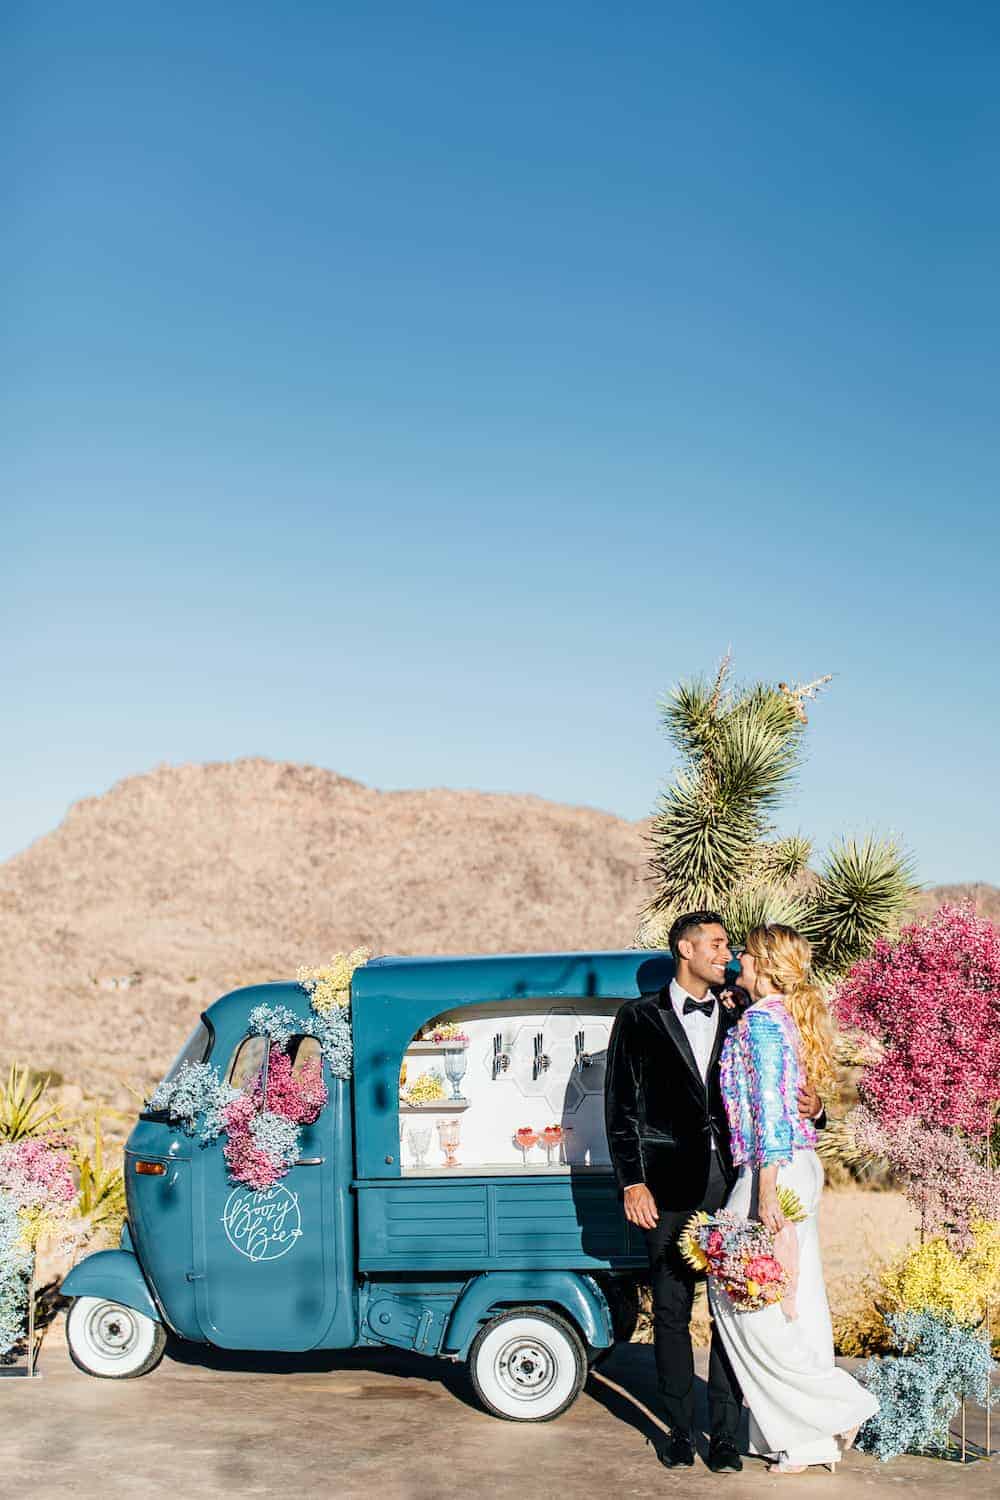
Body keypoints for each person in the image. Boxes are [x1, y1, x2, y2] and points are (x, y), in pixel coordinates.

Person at [604, 911, 825, 1472]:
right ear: (686, 949)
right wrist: (632, 1181)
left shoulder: (743, 1013)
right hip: (666, 1185)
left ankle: (725, 1434)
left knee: (734, 1308)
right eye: (717, 944)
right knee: (672, 1310)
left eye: (731, 947)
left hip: (734, 1183)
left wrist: (818, 1109)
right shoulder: (637, 1018)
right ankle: (678, 1430)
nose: (726, 955)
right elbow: (621, 1109)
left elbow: (780, 1092)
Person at [710, 923, 878, 1474]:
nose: (737, 959)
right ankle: (805, 1440)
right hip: (795, 1165)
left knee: (739, 1295)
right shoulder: (783, 1016)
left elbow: (770, 1112)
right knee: (793, 1300)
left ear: (763, 964)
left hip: (772, 1169)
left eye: (746, 954)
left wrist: (764, 1191)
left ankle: (838, 1405)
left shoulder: (761, 1024)